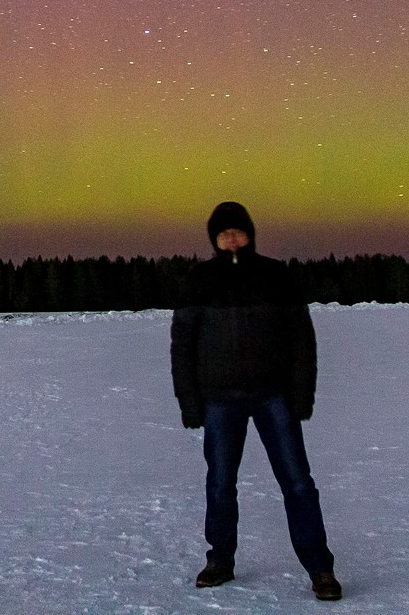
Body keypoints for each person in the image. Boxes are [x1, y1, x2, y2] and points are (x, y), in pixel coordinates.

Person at [170, 201, 341, 601]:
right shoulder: (200, 279)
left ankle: (320, 569)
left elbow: (302, 339)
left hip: (273, 396)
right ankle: (220, 561)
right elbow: (183, 344)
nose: (231, 239)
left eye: (238, 231)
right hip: (220, 400)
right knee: (220, 483)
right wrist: (190, 401)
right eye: (223, 233)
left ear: (250, 233)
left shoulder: (274, 275)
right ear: (214, 238)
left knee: (298, 483)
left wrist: (301, 395)